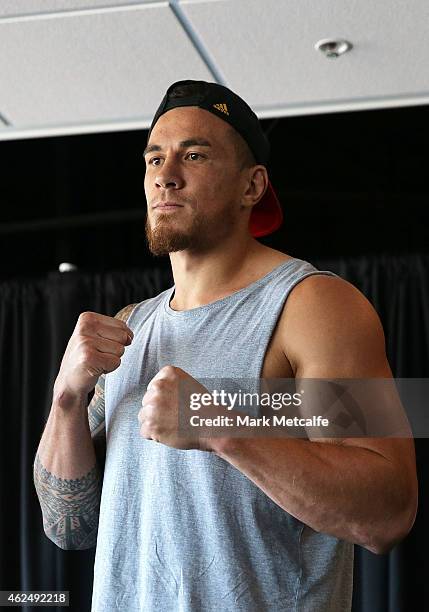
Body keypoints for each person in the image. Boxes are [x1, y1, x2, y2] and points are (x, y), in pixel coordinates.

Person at [34, 80, 418, 612]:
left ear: (252, 186)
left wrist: (220, 427)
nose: (166, 176)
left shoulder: (315, 306)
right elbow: (67, 527)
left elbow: (389, 512)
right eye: (154, 159)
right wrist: (67, 398)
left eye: (194, 155)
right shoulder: (129, 326)